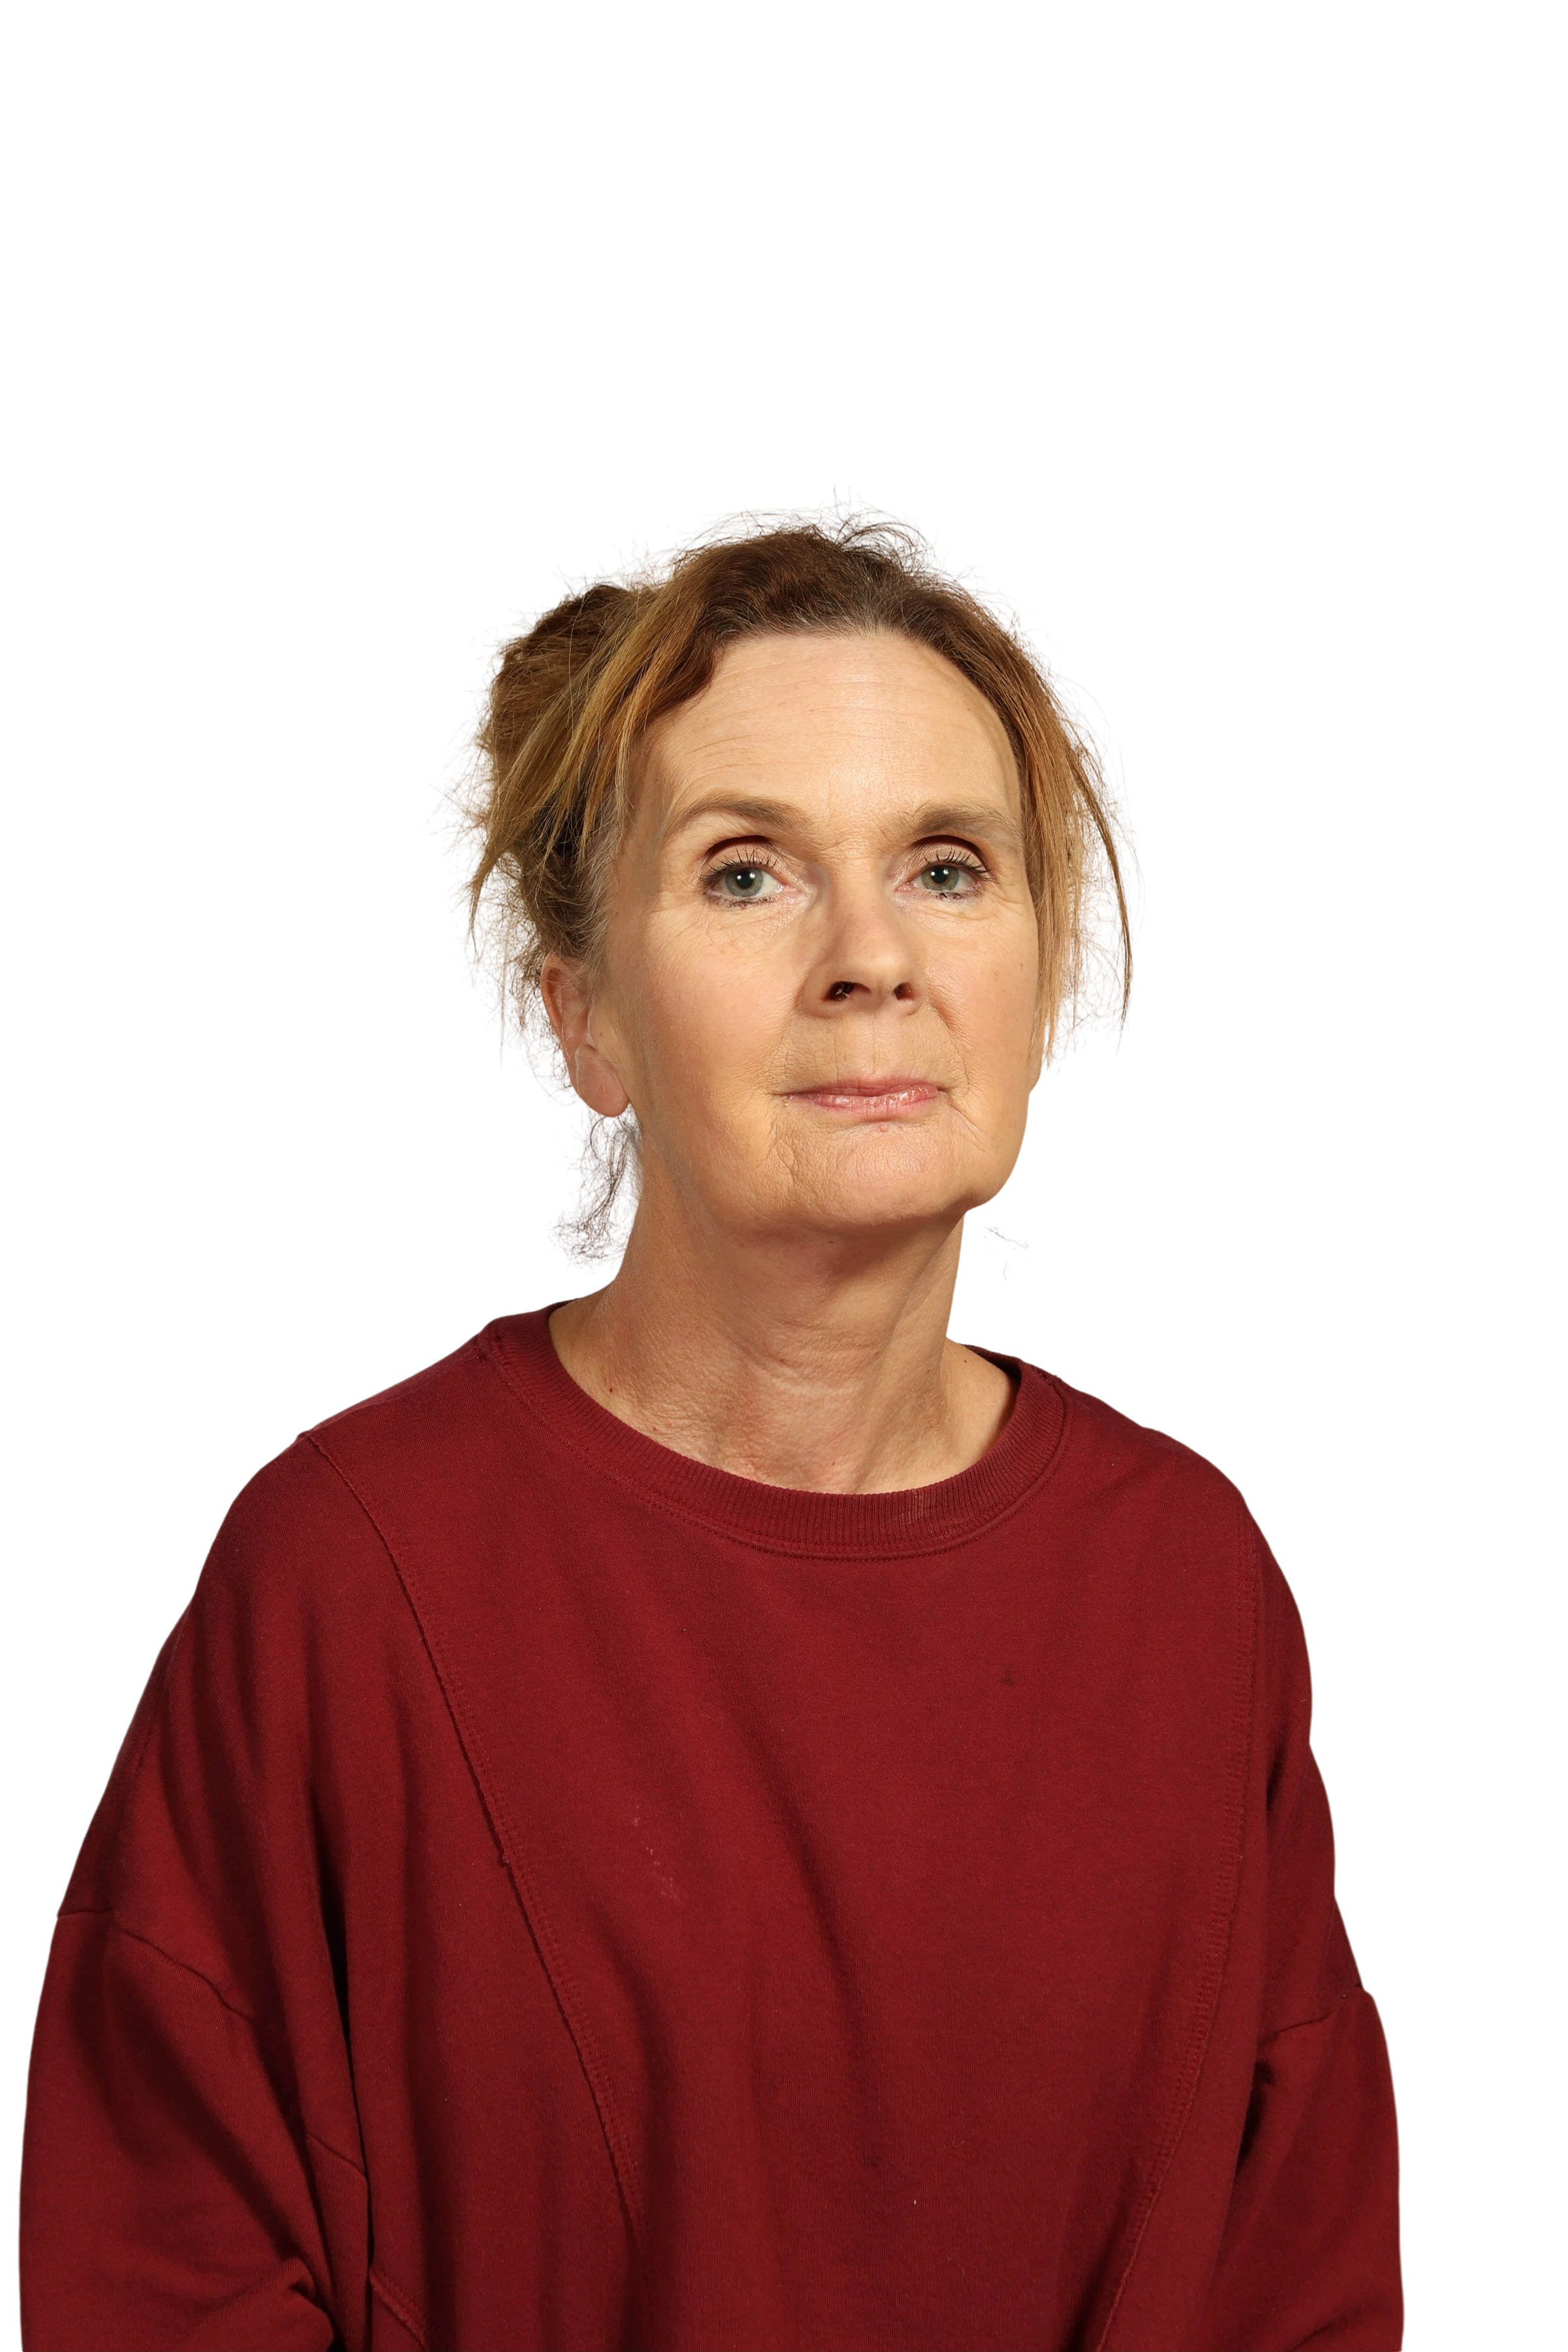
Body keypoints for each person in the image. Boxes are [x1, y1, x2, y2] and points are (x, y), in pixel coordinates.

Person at [17, 491, 1406, 2350]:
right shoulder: (349, 1571)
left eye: (949, 867)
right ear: (582, 1018)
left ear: (1051, 971)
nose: (870, 956)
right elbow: (159, 2271)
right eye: (749, 873)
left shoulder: (1187, 1581)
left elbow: (1302, 2285)